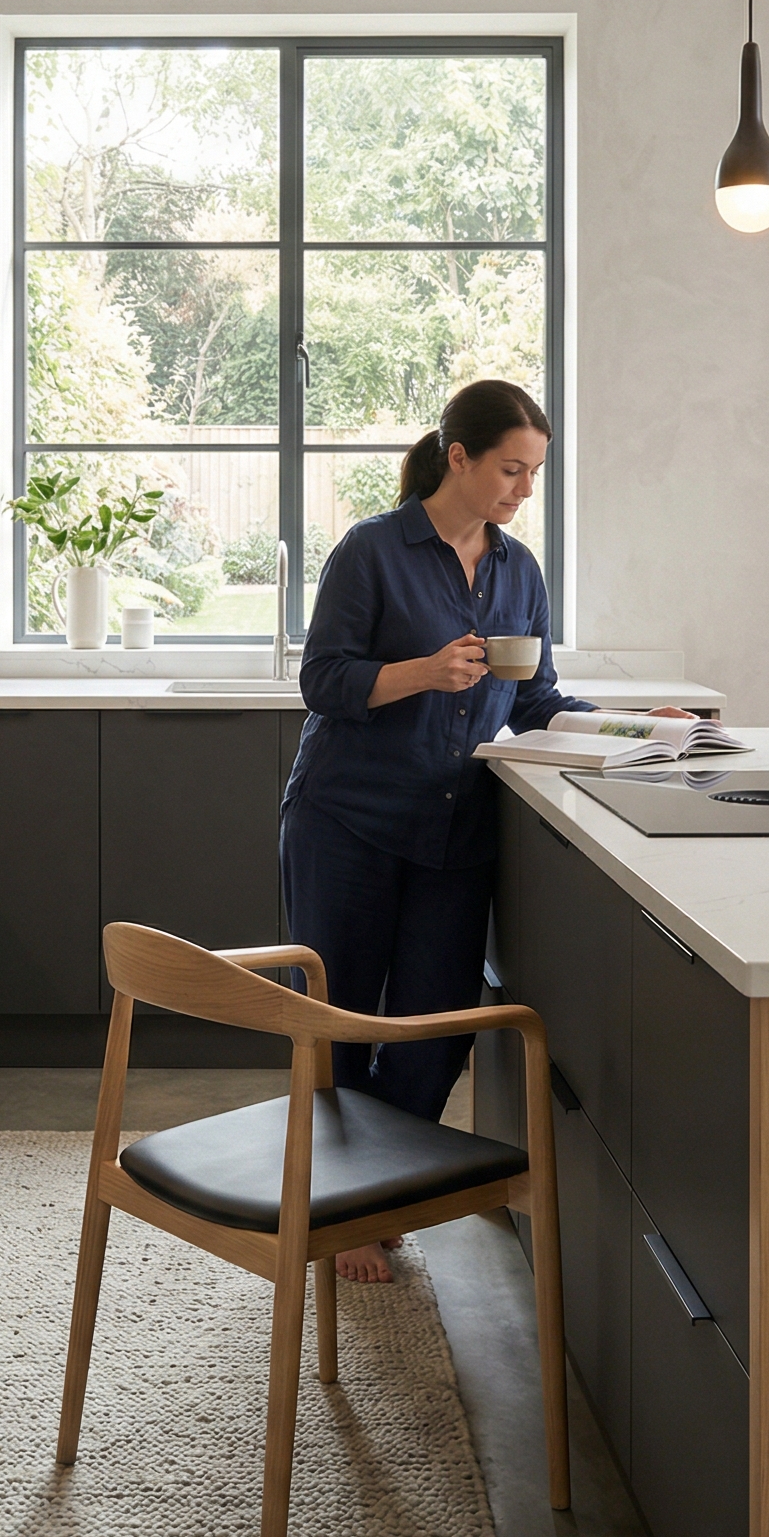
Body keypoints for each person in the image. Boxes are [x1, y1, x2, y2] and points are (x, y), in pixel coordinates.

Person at [282, 379, 681, 1284]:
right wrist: (423, 672)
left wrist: (638, 725)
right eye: (511, 469)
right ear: (457, 457)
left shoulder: (518, 571)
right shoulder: (373, 552)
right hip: (347, 820)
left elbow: (537, 700)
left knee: (440, 1023)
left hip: (455, 830)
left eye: (533, 473)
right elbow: (325, 682)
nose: (522, 490)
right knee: (340, 1020)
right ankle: (345, 1214)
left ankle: (374, 1190)